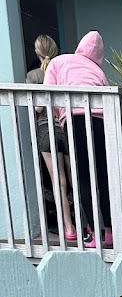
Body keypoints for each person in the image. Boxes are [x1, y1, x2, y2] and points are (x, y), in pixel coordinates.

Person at [44, 31, 112, 248]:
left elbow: (47, 95)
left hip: (76, 120)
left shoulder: (59, 62)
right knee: (104, 177)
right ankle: (110, 232)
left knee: (83, 177)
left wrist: (58, 115)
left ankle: (95, 234)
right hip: (101, 121)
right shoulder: (98, 71)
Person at [26, 35, 76, 241]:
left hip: (46, 130)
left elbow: (37, 108)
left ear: (37, 52)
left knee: (58, 181)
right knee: (76, 178)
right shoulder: (63, 70)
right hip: (65, 126)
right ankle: (89, 225)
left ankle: (69, 228)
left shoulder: (33, 76)